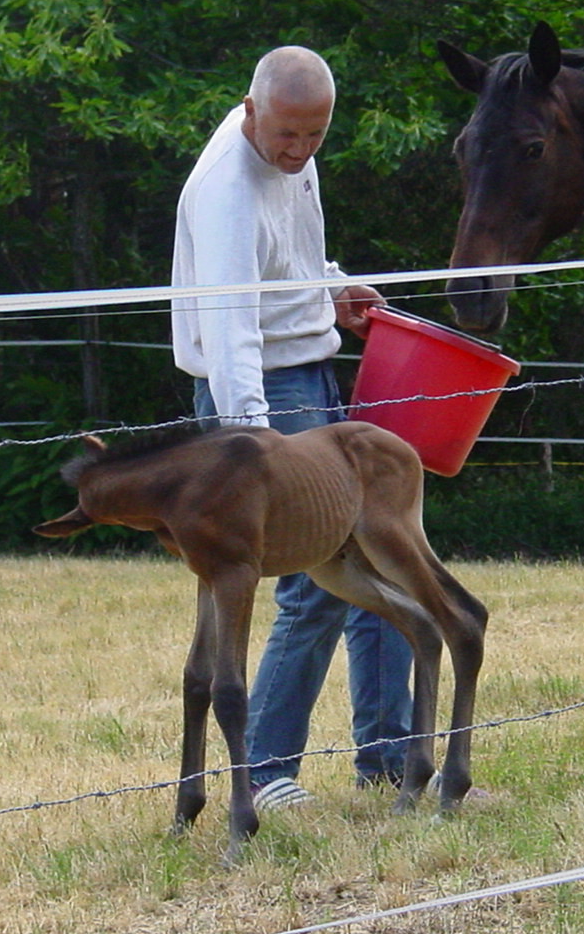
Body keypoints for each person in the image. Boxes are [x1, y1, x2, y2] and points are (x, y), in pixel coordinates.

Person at [170, 45, 414, 810]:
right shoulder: (225, 193)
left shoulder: (291, 148)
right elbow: (230, 325)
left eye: (315, 137)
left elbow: (295, 255)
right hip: (254, 394)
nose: (300, 152)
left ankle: (390, 757)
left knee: (378, 551)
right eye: (287, 137)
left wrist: (332, 289)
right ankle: (267, 769)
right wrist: (255, 449)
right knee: (311, 584)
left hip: (310, 368)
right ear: (251, 112)